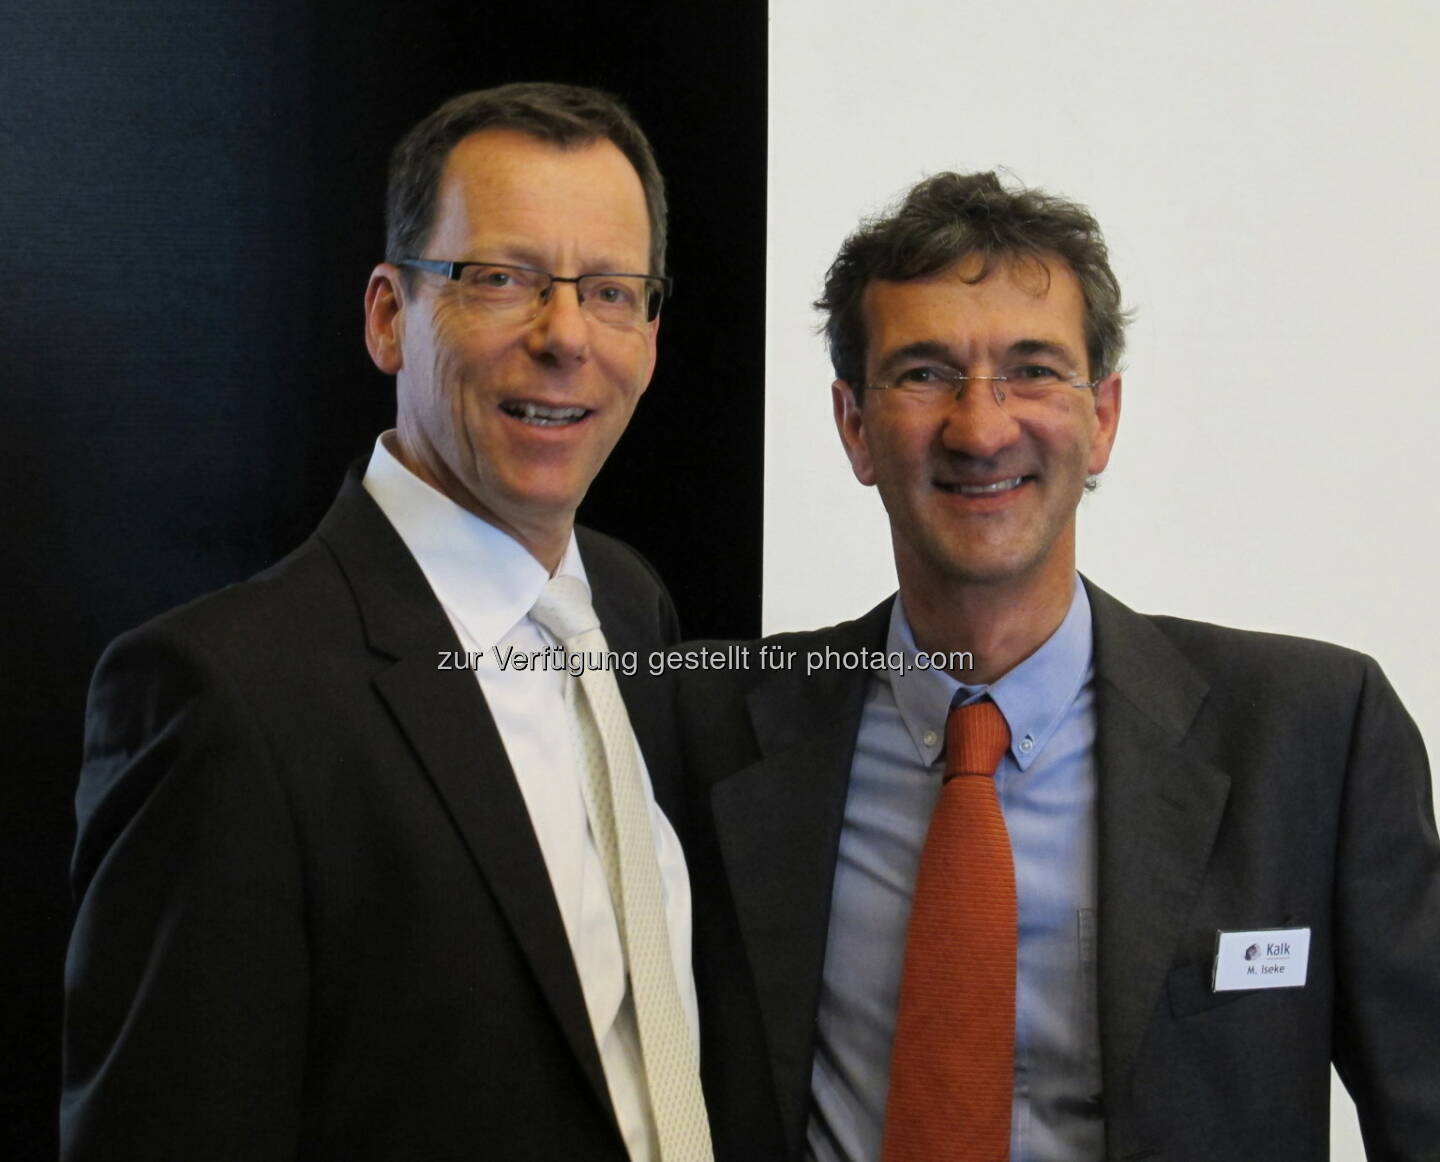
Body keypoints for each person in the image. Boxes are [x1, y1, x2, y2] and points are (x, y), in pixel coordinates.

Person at [677, 171, 1440, 1161]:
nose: (982, 426)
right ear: (854, 426)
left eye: (1032, 369)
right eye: (922, 372)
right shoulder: (708, 728)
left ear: (1103, 416)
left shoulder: (1316, 733)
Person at [63, 83, 711, 1162]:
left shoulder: (631, 605)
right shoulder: (224, 698)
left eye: (610, 291)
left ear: (649, 330)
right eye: (500, 279)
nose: (565, 337)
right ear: (386, 316)